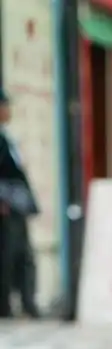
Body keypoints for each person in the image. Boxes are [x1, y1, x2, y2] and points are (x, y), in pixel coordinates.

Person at [0, 89, 40, 318]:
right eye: (4, 106)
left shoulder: (6, 138)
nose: (8, 111)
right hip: (6, 206)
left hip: (16, 205)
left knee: (23, 257)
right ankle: (4, 306)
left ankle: (27, 303)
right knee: (7, 258)